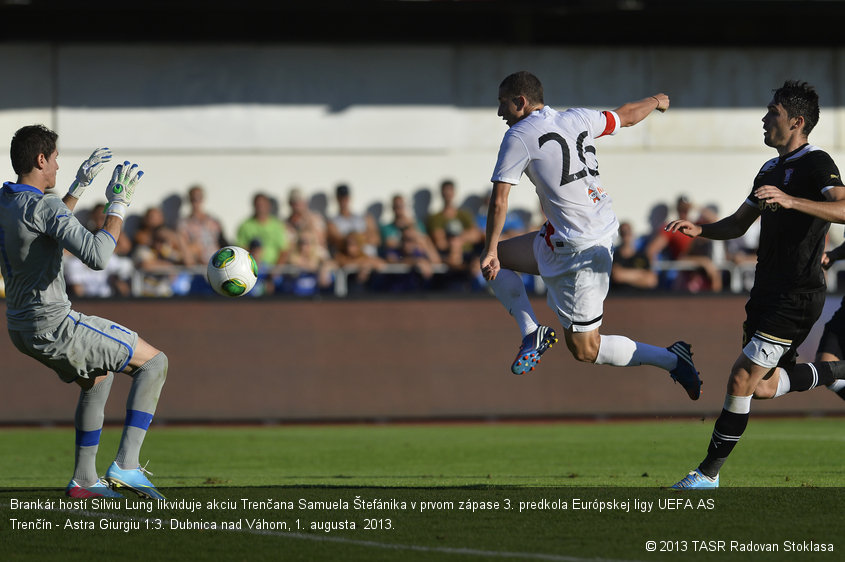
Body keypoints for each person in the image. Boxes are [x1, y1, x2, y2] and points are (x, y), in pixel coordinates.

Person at [666, 81, 845, 489]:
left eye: (772, 113)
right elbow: (738, 223)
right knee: (762, 388)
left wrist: (792, 200)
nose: (764, 119)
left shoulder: (816, 162)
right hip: (766, 291)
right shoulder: (769, 169)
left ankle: (707, 474)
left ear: (796, 122)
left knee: (741, 379)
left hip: (796, 293)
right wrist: (701, 230)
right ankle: (835, 371)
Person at [480, 71, 701, 401]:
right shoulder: (577, 117)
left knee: (585, 349)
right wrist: (655, 101)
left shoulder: (519, 135)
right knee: (496, 260)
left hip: (581, 249)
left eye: (502, 104)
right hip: (568, 236)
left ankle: (672, 359)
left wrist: (488, 248)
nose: (500, 113)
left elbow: (499, 200)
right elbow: (626, 116)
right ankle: (531, 332)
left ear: (520, 102)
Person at [0, 125, 167, 499]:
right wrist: (118, 204)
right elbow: (97, 256)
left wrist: (76, 188)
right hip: (54, 323)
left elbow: (41, 228)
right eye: (56, 158)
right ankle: (126, 465)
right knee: (155, 363)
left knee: (99, 378)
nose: (58, 166)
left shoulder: (6, 201)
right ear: (41, 159)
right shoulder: (44, 205)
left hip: (20, 327)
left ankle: (84, 480)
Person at [236, 192, 290, 267]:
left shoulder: (277, 225)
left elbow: (284, 250)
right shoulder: (245, 226)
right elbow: (241, 249)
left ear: (268, 206)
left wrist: (276, 269)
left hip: (272, 269)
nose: (261, 207)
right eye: (258, 205)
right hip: (252, 267)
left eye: (263, 205)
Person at [178, 184, 227, 265]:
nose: (196, 201)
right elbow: (184, 247)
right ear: (189, 199)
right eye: (193, 198)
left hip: (217, 263)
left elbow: (222, 242)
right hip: (198, 266)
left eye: (199, 197)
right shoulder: (184, 224)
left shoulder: (213, 221)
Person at [610, 221, 658, 291]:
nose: (626, 235)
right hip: (619, 297)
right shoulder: (614, 255)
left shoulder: (642, 256)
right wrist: (641, 274)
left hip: (640, 298)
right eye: (623, 233)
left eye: (628, 232)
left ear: (632, 233)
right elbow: (617, 276)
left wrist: (625, 274)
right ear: (619, 235)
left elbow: (651, 280)